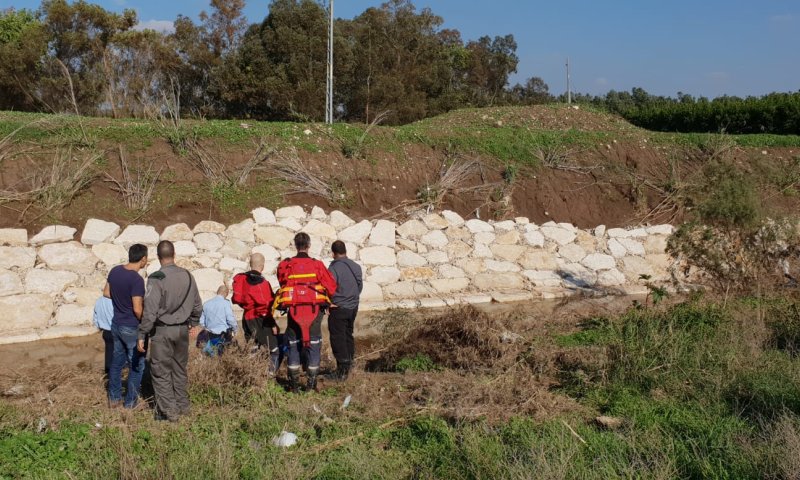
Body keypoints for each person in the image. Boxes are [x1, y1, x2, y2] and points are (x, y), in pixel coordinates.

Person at [138, 240, 202, 422]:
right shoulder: (188, 275)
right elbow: (197, 304)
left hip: (162, 331)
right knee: (179, 370)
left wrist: (142, 333)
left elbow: (149, 311)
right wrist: (194, 322)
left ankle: (169, 413)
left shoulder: (156, 277)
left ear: (158, 257)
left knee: (160, 372)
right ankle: (183, 406)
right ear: (174, 255)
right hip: (182, 330)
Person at [275, 232, 337, 392]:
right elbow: (331, 286)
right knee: (314, 344)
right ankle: (311, 384)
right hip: (314, 312)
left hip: (293, 312)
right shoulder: (317, 264)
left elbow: (282, 282)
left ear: (295, 246)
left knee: (293, 345)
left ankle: (294, 385)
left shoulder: (286, 264)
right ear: (309, 246)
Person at [104, 243, 148, 409]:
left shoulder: (115, 271)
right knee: (136, 365)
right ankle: (131, 403)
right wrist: (146, 322)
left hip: (116, 324)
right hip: (131, 326)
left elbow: (106, 292)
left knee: (117, 362)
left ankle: (114, 398)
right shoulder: (136, 279)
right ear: (143, 259)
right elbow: (137, 309)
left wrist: (120, 301)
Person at [232, 253, 280, 371]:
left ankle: (252, 375)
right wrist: (273, 324)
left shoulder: (241, 279)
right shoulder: (263, 283)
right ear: (263, 266)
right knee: (274, 350)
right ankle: (270, 376)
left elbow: (237, 299)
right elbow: (267, 306)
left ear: (250, 264)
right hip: (261, 319)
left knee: (253, 349)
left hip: (247, 318)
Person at [327, 240, 362, 381]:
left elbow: (329, 287)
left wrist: (329, 303)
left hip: (339, 308)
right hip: (353, 307)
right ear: (345, 251)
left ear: (333, 253)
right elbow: (359, 286)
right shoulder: (356, 266)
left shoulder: (333, 268)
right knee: (348, 335)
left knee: (337, 338)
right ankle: (350, 364)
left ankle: (342, 372)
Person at [199, 284, 238, 356]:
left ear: (217, 292)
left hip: (209, 335)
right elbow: (230, 320)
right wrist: (235, 330)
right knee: (223, 355)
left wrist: (207, 328)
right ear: (226, 293)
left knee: (211, 356)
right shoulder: (226, 303)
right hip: (223, 335)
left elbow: (201, 322)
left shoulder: (206, 304)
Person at [93, 294, 114, 376]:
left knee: (108, 352)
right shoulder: (115, 300)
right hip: (115, 330)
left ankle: (107, 373)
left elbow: (95, 316)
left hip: (105, 332)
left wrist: (99, 326)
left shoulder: (99, 300)